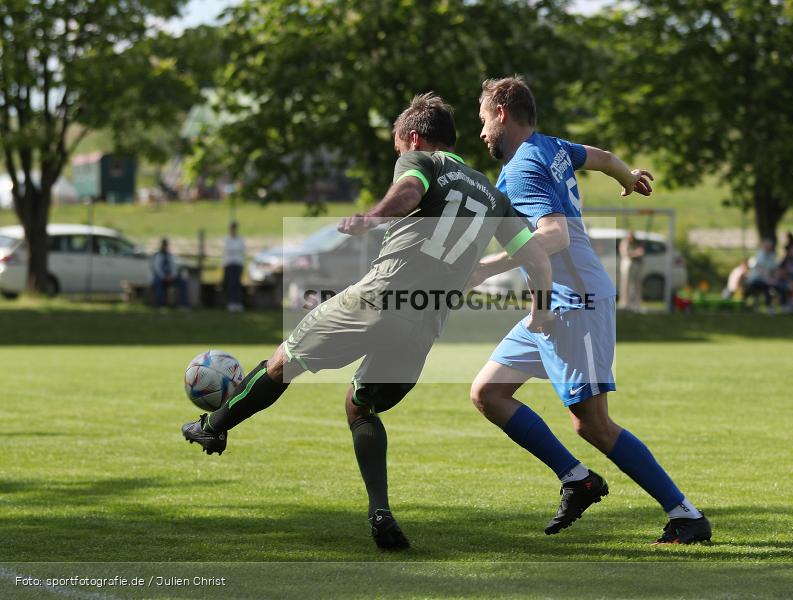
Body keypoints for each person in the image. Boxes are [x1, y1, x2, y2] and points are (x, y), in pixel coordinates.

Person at [181, 93, 554, 550]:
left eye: (399, 148)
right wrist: (541, 308)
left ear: (414, 137)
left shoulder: (423, 161)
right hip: (424, 325)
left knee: (285, 360)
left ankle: (214, 425)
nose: (400, 156)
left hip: (379, 298)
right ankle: (381, 513)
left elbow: (409, 191)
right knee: (362, 406)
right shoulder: (493, 195)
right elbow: (537, 256)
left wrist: (373, 216)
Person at [467, 76, 711, 544]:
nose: (481, 133)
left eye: (482, 120)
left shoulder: (520, 168)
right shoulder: (550, 146)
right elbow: (598, 157)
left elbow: (554, 236)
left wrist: (490, 266)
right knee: (488, 393)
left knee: (593, 424)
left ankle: (686, 516)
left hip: (572, 302)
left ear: (501, 112)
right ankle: (578, 479)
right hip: (556, 300)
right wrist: (628, 177)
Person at [744, 239, 780, 313]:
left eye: (769, 246)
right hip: (755, 280)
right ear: (763, 246)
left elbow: (775, 269)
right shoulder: (759, 255)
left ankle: (770, 305)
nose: (768, 248)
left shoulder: (771, 256)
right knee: (767, 286)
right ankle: (768, 306)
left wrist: (775, 278)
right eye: (766, 246)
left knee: (771, 286)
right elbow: (760, 269)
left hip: (766, 281)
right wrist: (768, 279)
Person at [151, 238, 187, 308]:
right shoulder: (158, 256)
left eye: (166, 245)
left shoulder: (170, 256)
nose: (164, 247)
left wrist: (172, 276)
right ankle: (160, 304)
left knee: (183, 282)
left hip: (170, 277)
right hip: (161, 277)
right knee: (158, 282)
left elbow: (174, 267)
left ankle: (183, 303)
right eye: (163, 245)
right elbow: (157, 269)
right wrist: (164, 277)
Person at [618, 230, 645, 310]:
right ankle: (625, 303)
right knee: (625, 284)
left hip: (637, 265)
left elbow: (641, 252)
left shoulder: (637, 243)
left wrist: (632, 253)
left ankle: (636, 304)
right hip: (627, 264)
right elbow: (625, 253)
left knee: (637, 285)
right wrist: (635, 253)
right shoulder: (624, 242)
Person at [223, 221, 246, 312]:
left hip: (238, 263)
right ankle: (230, 302)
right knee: (230, 284)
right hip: (229, 263)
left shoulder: (240, 238)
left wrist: (234, 250)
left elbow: (241, 249)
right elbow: (228, 250)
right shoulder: (227, 239)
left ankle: (238, 303)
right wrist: (235, 250)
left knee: (237, 284)